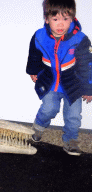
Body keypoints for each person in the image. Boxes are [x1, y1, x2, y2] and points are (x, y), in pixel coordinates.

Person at [26, 0, 92, 156]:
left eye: (66, 19)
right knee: (49, 108)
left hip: (73, 84)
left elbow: (87, 65)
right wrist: (33, 70)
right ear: (47, 19)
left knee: (74, 115)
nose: (61, 24)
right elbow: (34, 55)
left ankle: (71, 140)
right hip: (50, 82)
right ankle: (38, 128)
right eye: (56, 19)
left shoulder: (80, 39)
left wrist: (88, 88)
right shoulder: (40, 36)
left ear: (73, 19)